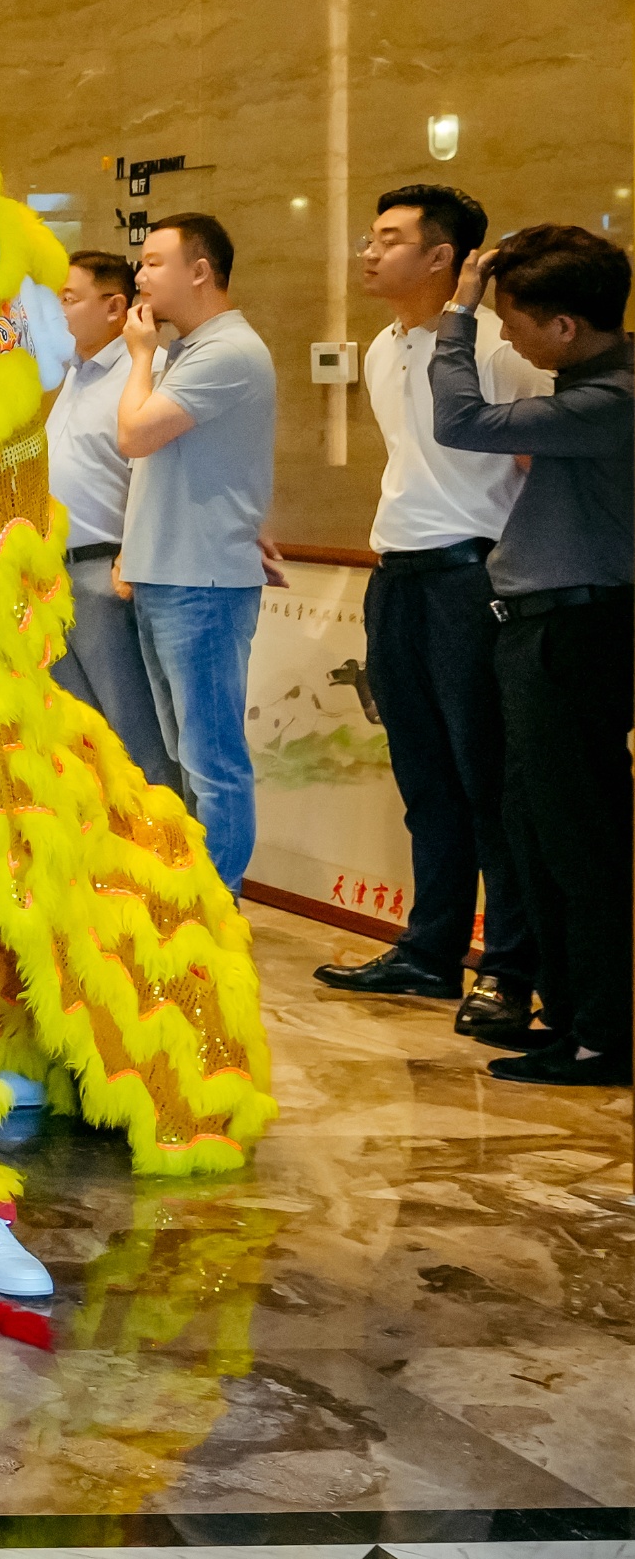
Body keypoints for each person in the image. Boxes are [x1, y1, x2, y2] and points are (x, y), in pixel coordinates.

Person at [324, 185, 545, 1022]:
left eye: (388, 239)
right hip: (397, 576)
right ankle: (429, 950)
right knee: (423, 777)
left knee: (487, 779)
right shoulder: (384, 346)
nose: (367, 251)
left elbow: (536, 466)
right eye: (369, 236)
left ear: (441, 257)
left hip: (469, 577)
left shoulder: (496, 348)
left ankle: (508, 970)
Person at [437, 224, 631, 1088]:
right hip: (544, 629)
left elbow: (459, 419)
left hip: (576, 634)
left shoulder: (612, 397)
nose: (504, 336)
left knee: (579, 840)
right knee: (536, 831)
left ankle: (602, 1036)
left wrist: (456, 311)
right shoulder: (589, 382)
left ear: (563, 325)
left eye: (510, 319)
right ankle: (571, 1016)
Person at [115, 212, 276, 892]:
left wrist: (140, 357)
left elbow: (134, 435)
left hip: (201, 581)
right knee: (184, 755)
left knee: (211, 761)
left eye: (153, 262)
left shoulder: (225, 350)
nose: (139, 276)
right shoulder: (188, 350)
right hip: (168, 573)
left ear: (200, 271)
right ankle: (192, 898)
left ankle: (219, 904)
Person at [43, 249, 182, 795]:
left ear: (114, 306)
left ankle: (164, 842)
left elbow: (162, 477)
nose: (56, 310)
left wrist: (134, 554)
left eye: (68, 298)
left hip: (110, 573)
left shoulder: (150, 372)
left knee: (134, 733)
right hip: (55, 576)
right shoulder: (74, 375)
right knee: (82, 736)